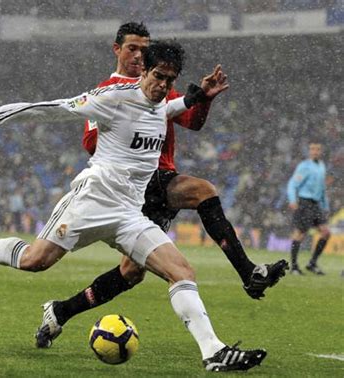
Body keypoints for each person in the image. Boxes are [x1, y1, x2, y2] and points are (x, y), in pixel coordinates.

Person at [0, 40, 267, 372]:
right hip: (92, 200)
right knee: (34, 261)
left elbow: (164, 108)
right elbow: (52, 109)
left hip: (130, 214)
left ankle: (214, 352)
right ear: (142, 71)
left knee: (182, 272)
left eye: (169, 80)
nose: (163, 85)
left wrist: (196, 98)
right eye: (158, 77)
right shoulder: (112, 98)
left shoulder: (162, 104)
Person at [35, 22, 288, 349]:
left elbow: (193, 121)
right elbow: (90, 142)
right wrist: (132, 121)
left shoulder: (159, 85)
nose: (139, 55)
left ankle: (61, 310)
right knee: (203, 191)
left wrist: (203, 100)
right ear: (117, 50)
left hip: (158, 181)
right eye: (132, 48)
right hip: (136, 180)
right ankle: (250, 274)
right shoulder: (106, 92)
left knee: (130, 273)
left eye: (145, 48)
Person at [287, 142, 331, 275]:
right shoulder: (304, 166)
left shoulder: (322, 166)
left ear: (321, 151)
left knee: (326, 233)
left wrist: (325, 206)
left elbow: (322, 188)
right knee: (300, 234)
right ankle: (294, 266)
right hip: (305, 202)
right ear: (309, 151)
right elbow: (292, 184)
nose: (315, 151)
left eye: (317, 149)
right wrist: (293, 200)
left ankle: (312, 263)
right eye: (312, 149)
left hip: (316, 204)